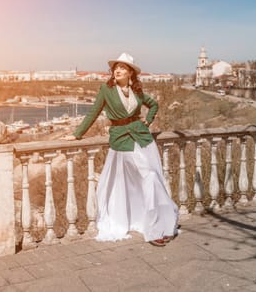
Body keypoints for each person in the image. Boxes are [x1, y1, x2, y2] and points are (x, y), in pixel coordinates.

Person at [63, 52, 179, 246]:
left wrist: (148, 121)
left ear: (130, 73)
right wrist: (77, 133)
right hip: (121, 141)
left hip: (142, 138)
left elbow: (153, 105)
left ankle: (157, 226)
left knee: (151, 178)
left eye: (122, 67)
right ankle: (145, 223)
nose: (117, 70)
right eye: (116, 67)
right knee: (129, 183)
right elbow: (93, 112)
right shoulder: (106, 90)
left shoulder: (137, 91)